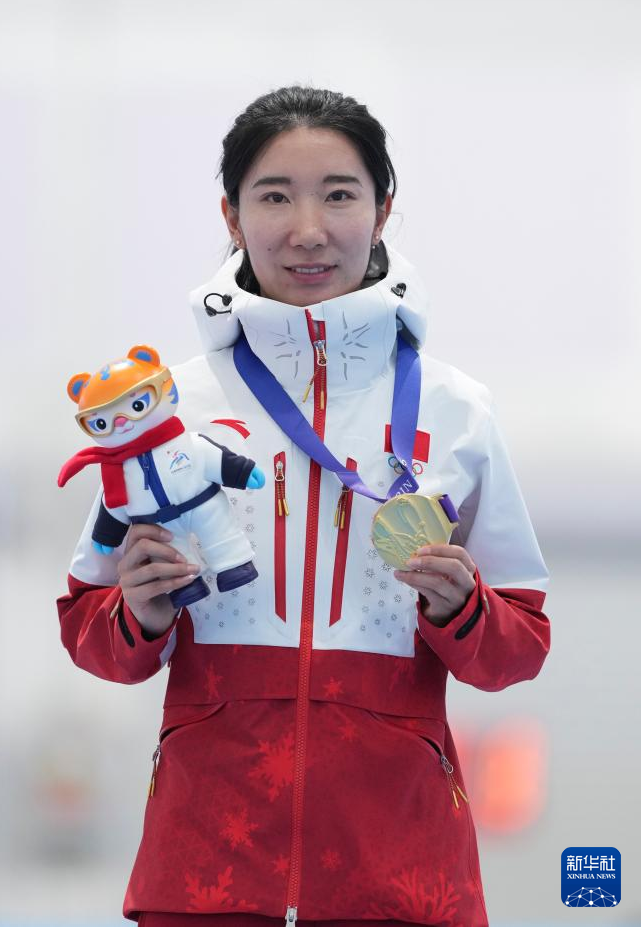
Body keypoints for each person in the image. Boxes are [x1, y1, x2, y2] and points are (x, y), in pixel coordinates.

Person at [58, 86, 550, 927]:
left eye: (339, 194)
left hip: (400, 879)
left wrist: (461, 605)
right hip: (205, 875)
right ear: (232, 214)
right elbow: (90, 634)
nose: (309, 229)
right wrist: (138, 610)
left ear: (382, 209)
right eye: (275, 196)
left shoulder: (455, 409)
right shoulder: (170, 407)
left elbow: (517, 649)